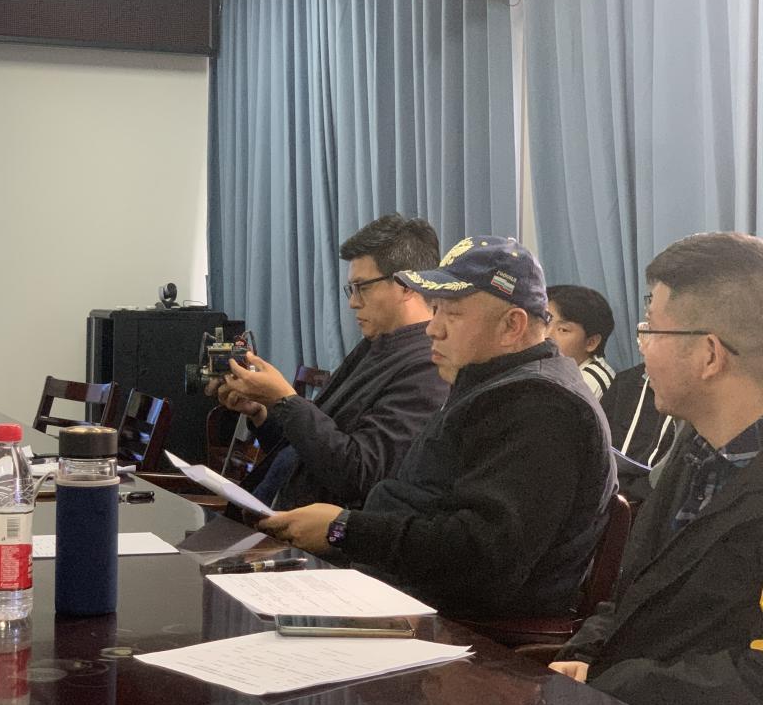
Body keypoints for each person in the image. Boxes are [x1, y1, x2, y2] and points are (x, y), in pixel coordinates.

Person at [258, 236, 617, 619]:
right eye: (436, 309)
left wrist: (344, 530)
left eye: (453, 314)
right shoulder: (495, 383)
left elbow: (481, 557)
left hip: (457, 627)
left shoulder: (542, 406)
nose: (433, 328)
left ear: (512, 326)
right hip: (398, 592)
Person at [550, 232, 763, 705]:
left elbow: (753, 679)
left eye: (651, 330)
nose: (642, 347)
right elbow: (634, 593)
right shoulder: (695, 448)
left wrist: (611, 680)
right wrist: (585, 653)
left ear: (710, 354)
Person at [218, 213, 449, 511]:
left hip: (312, 534)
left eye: (362, 287)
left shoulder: (428, 367)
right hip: (269, 515)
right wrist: (263, 411)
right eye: (351, 289)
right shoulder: (375, 346)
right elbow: (309, 450)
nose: (353, 302)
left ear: (407, 285)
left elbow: (359, 474)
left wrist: (286, 401)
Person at [547, 284, 616, 399]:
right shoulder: (557, 371)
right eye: (545, 323)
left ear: (591, 342)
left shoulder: (590, 380)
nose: (546, 335)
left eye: (563, 330)